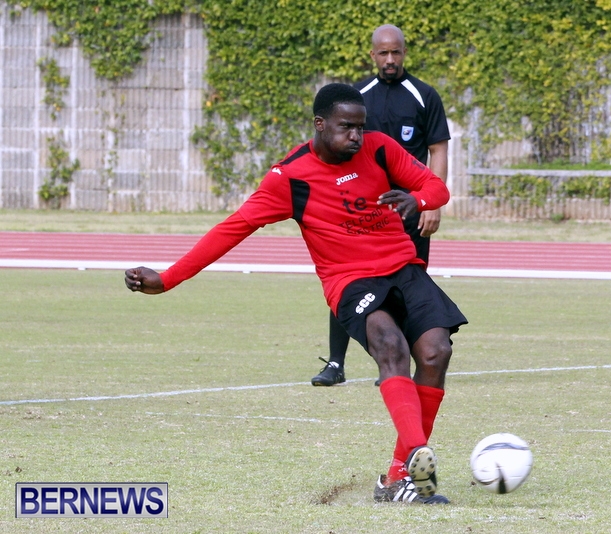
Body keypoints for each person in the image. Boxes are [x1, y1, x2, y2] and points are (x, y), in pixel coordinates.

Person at [124, 83, 467, 505]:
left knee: (436, 352)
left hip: (404, 268)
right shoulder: (289, 177)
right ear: (320, 124)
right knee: (390, 345)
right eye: (346, 127)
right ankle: (416, 454)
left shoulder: (379, 147)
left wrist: (417, 199)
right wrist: (168, 278)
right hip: (351, 281)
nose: (356, 136)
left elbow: (437, 187)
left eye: (360, 127)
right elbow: (232, 229)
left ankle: (398, 477)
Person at [311, 24, 451, 388]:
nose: (390, 59)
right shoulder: (357, 96)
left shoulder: (424, 95)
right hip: (362, 208)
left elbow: (438, 149)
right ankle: (336, 363)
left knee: (407, 287)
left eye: (396, 52)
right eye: (384, 53)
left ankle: (398, 363)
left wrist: (429, 204)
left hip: (409, 207)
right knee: (349, 281)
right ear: (372, 55)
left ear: (405, 52)